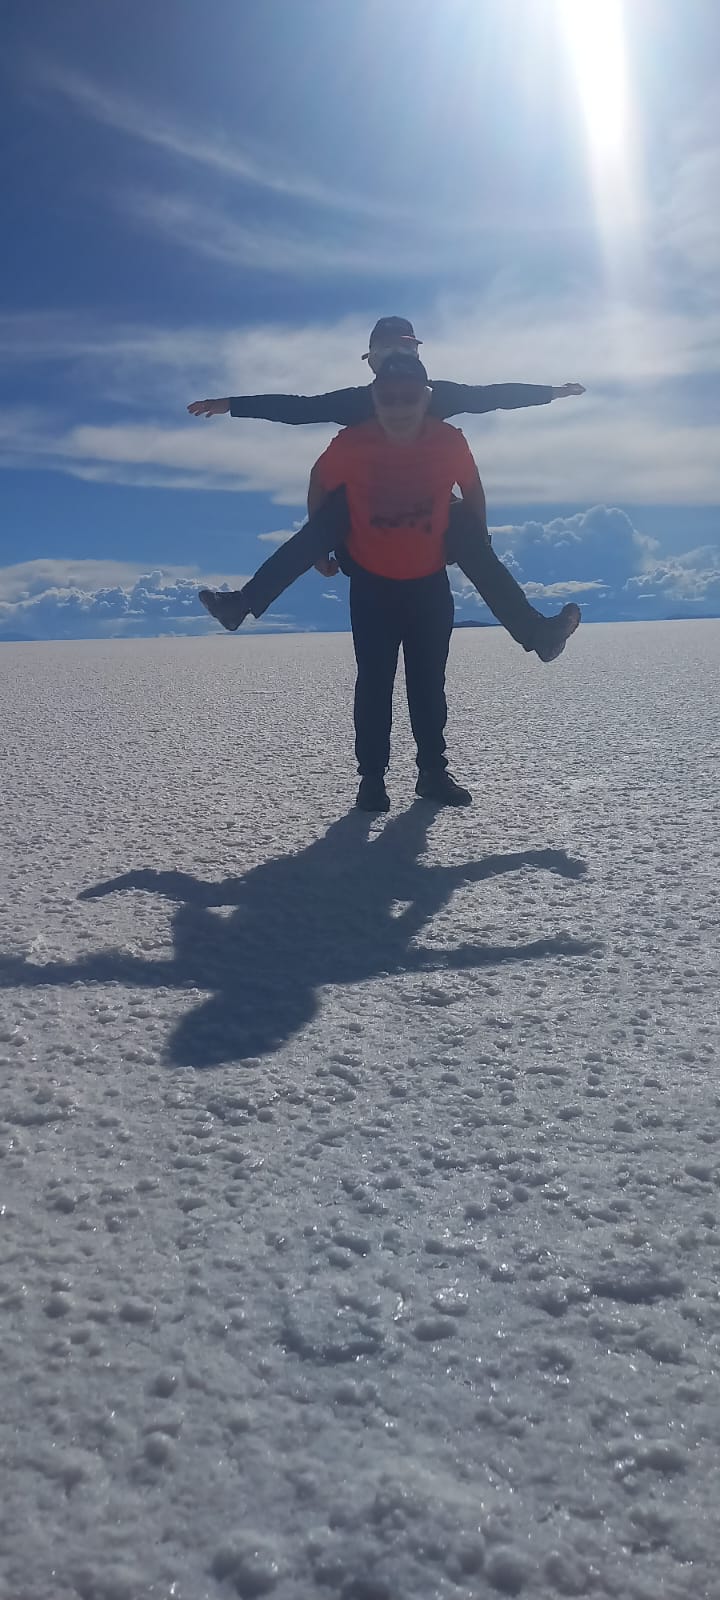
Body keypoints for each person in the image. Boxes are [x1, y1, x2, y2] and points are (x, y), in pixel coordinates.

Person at [201, 352, 548, 813]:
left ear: (427, 397)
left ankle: (432, 773)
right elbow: (302, 422)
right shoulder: (352, 440)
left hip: (427, 585)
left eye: (410, 395)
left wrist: (470, 541)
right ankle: (371, 780)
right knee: (374, 685)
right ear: (373, 395)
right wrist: (233, 404)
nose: (399, 404)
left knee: (428, 685)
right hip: (373, 585)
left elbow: (492, 414)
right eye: (388, 395)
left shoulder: (448, 440)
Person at [189, 315, 585, 661]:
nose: (398, 359)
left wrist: (550, 393)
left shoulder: (436, 395)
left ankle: (537, 634)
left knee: (464, 522)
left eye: (405, 349)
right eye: (388, 349)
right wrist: (232, 403)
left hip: (428, 509)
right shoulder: (359, 402)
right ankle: (243, 603)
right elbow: (300, 409)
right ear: (373, 360)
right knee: (341, 507)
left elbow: (493, 397)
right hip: (369, 510)